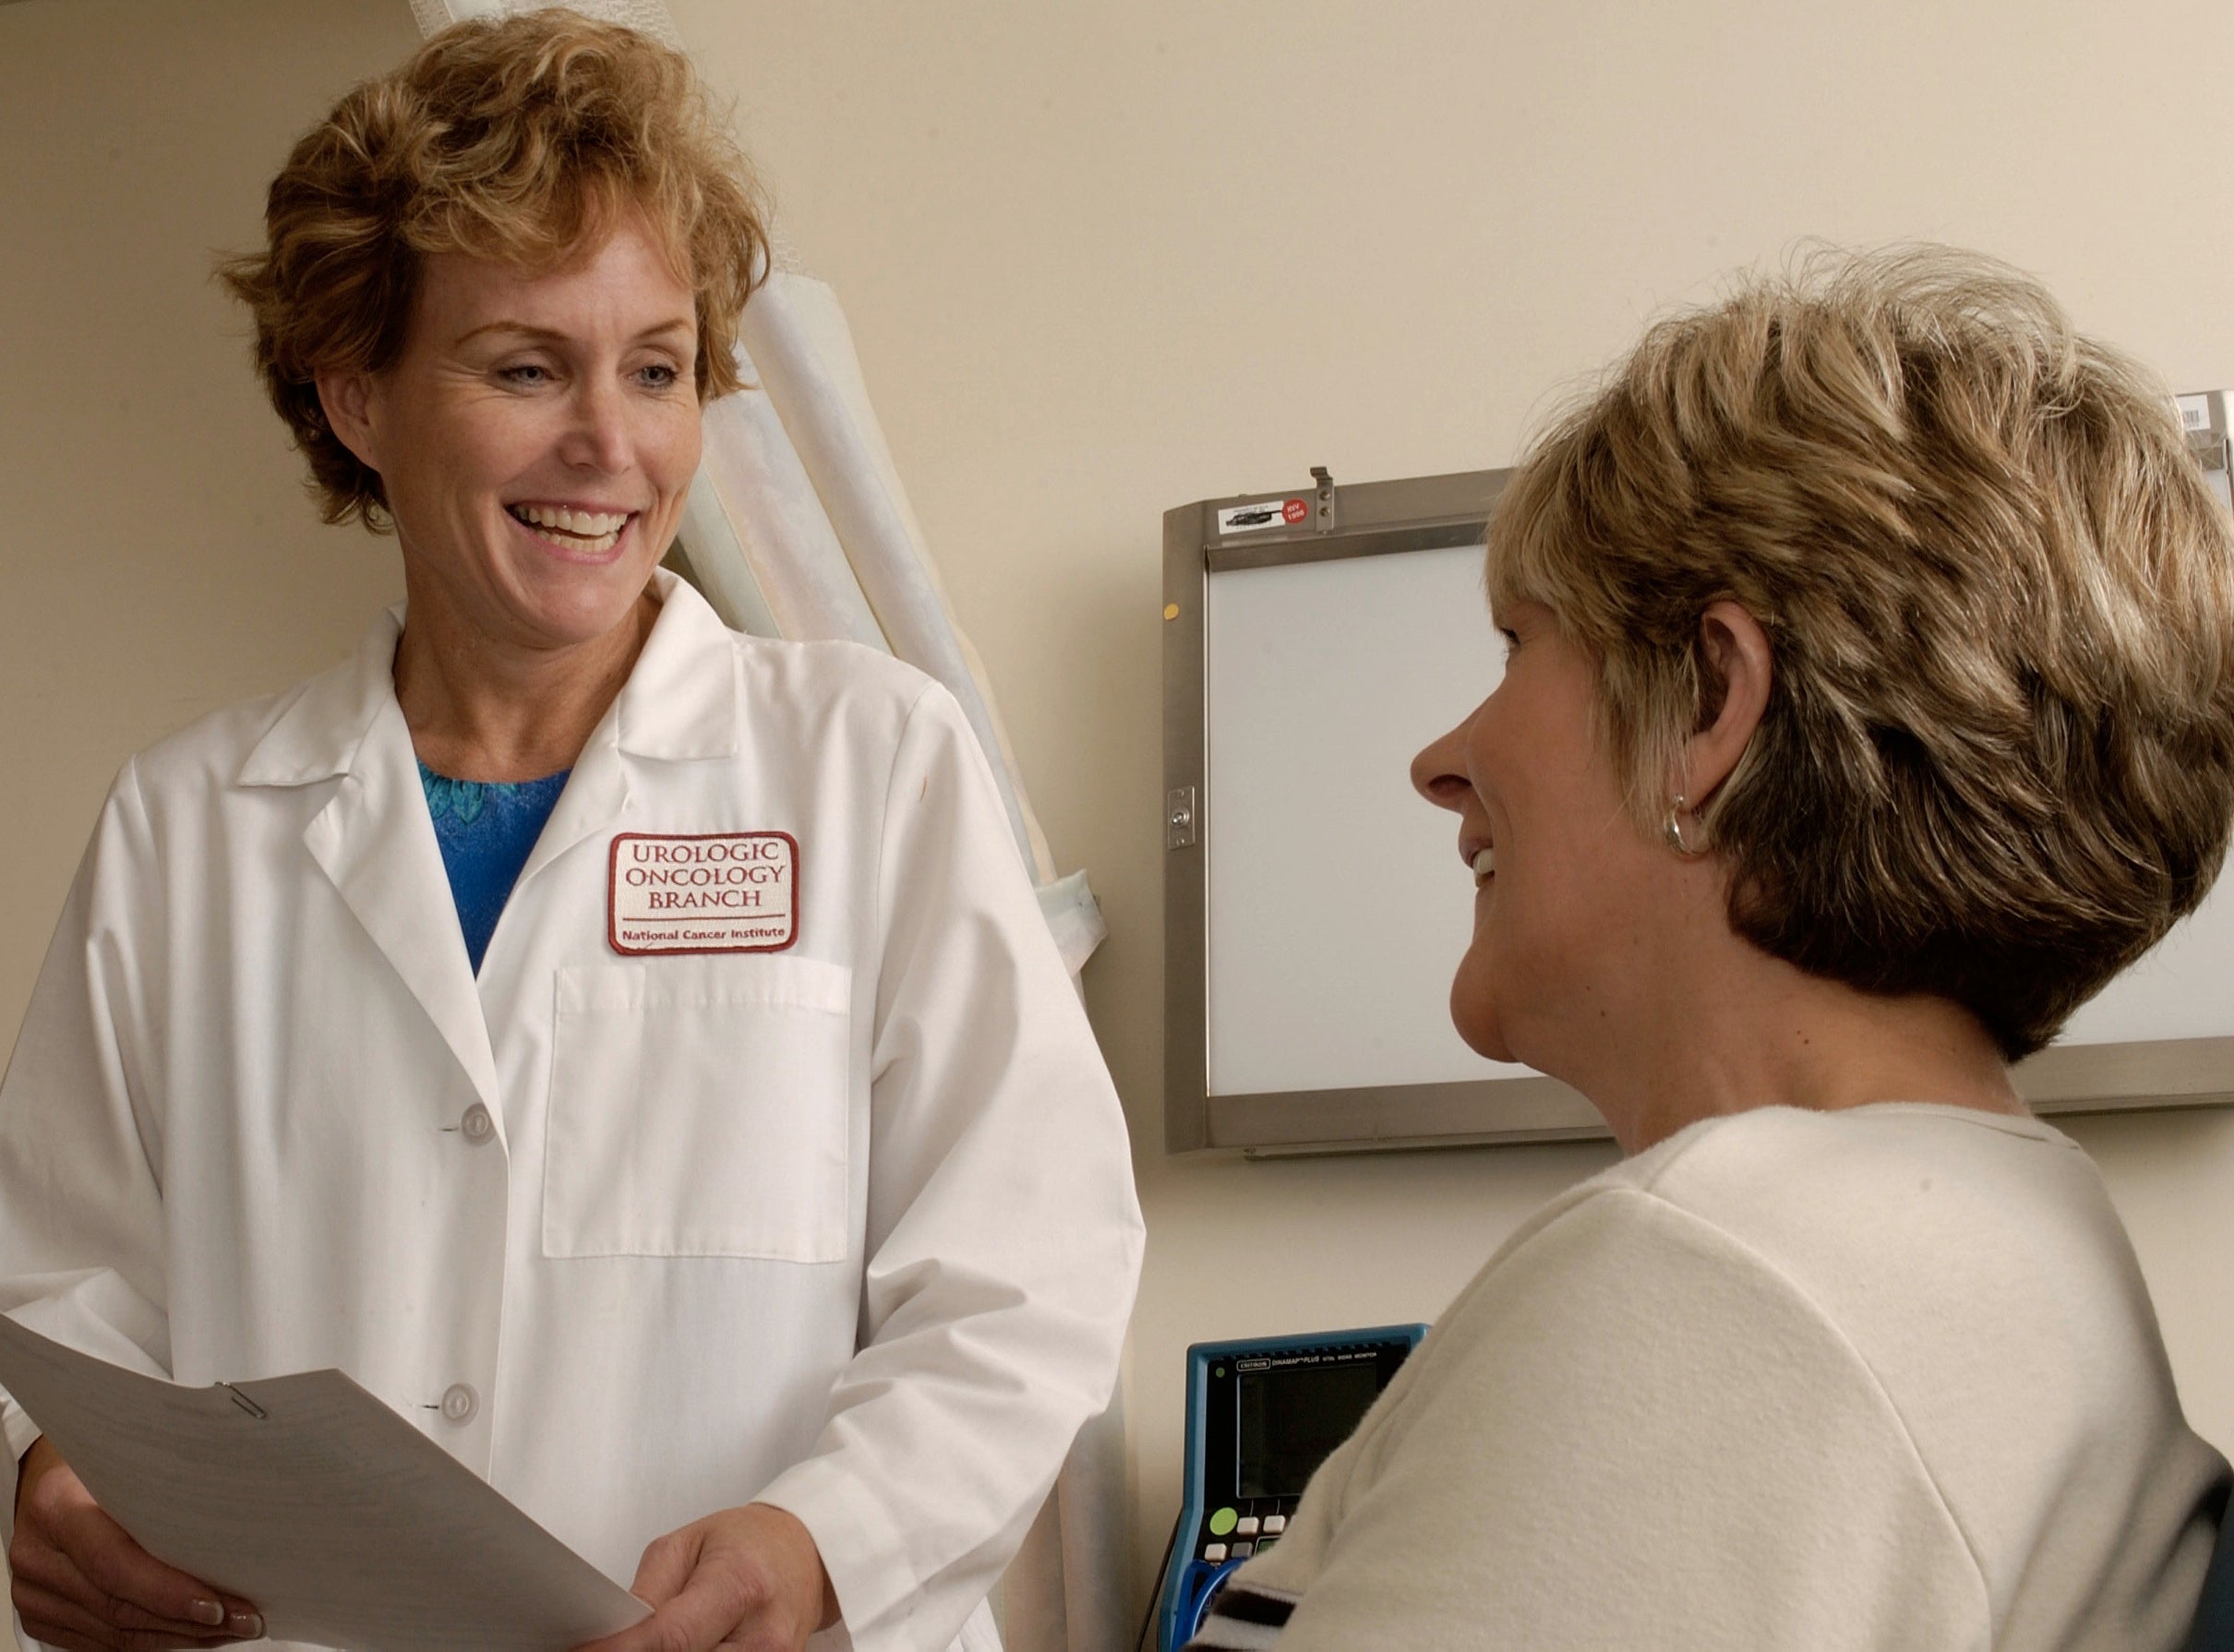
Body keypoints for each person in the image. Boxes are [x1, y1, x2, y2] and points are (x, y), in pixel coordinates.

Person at [0, 13, 1142, 1652]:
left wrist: (827, 1539)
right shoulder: (186, 829)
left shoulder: (872, 766)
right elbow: (52, 1288)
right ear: (357, 397)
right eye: (527, 365)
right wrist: (47, 1472)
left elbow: (1031, 1279)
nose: (612, 443)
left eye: (659, 369)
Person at [1188, 248, 2234, 1650]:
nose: (1444, 762)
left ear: (1709, 707)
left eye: (1516, 648)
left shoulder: (1725, 1286)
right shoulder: (2004, 1239)